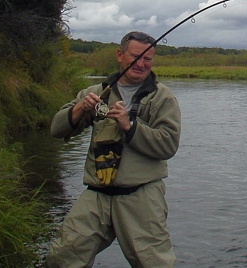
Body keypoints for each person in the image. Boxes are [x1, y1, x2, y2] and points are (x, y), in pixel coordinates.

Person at [47, 31, 181, 267]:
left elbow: (168, 144)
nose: (141, 64)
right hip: (96, 194)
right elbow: (56, 130)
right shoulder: (95, 92)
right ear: (120, 55)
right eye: (135, 56)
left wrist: (129, 126)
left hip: (141, 196)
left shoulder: (162, 98)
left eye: (148, 59)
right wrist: (80, 109)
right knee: (62, 258)